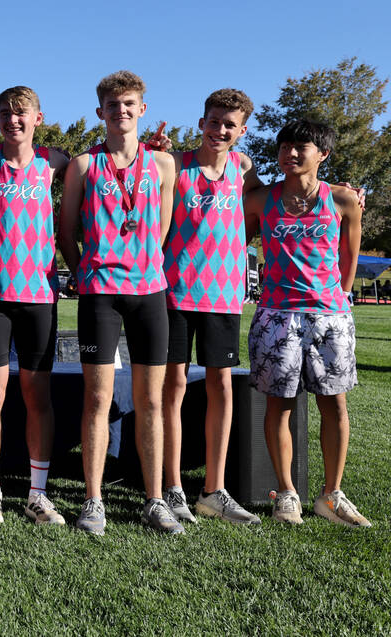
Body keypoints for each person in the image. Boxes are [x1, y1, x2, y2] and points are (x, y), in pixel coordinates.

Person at [57, 71, 181, 535]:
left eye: (129, 103)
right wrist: (88, 269)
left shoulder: (163, 166)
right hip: (100, 295)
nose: (121, 111)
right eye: (113, 104)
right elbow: (66, 229)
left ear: (142, 109)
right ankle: (93, 499)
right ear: (100, 112)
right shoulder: (85, 166)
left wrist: (142, 262)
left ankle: (153, 500)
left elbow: (164, 228)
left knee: (151, 399)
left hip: (150, 293)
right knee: (97, 398)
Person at [244, 119, 369, 527]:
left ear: (323, 154)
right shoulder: (262, 200)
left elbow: (349, 258)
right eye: (284, 147)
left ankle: (331, 495)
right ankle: (287, 494)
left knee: (334, 404)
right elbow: (235, 237)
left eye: (301, 147)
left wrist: (337, 303)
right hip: (276, 315)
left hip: (330, 316)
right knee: (278, 406)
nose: (290, 153)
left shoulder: (344, 200)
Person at [0, 86, 69, 525]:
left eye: (21, 113)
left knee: (37, 394)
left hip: (38, 297)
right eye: (4, 112)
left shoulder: (55, 161)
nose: (12, 119)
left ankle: (37, 495)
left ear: (38, 117)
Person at [154, 89, 264, 525]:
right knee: (173, 388)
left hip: (222, 295)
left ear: (241, 131)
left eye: (229, 124)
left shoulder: (243, 168)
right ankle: (173, 487)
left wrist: (342, 190)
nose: (220, 130)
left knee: (221, 386)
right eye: (214, 121)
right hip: (173, 291)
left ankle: (213, 490)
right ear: (201, 122)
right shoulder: (174, 164)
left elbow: (279, 196)